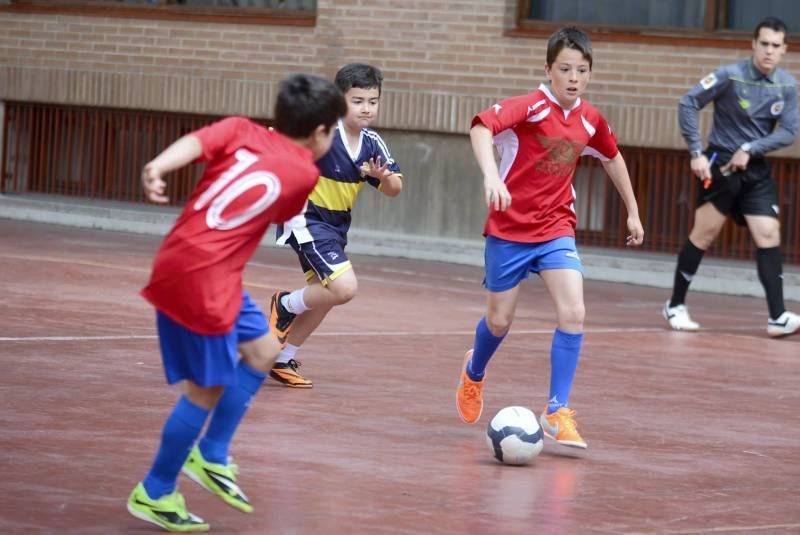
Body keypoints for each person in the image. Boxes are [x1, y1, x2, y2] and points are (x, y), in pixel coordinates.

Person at [126, 74, 346, 532]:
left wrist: (157, 168)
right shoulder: (304, 174)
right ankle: (156, 490)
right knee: (205, 390)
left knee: (265, 351)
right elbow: (282, 213)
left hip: (202, 268)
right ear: (321, 132)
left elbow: (192, 144)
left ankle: (212, 454)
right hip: (199, 279)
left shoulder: (239, 128)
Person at [455, 27, 644, 450]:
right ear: (548, 70)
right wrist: (490, 176)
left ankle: (557, 410)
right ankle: (474, 372)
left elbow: (613, 158)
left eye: (582, 70)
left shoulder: (590, 119)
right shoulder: (530, 107)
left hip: (556, 228)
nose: (573, 77)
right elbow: (481, 127)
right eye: (565, 69)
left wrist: (632, 210)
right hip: (509, 229)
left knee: (574, 311)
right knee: (500, 320)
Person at [267, 63, 403, 388]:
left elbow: (395, 188)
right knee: (345, 288)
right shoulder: (324, 131)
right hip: (306, 218)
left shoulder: (372, 144)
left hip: (336, 226)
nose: (366, 108)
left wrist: (384, 178)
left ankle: (282, 360)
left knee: (327, 295)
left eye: (372, 101)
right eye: (357, 100)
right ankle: (284, 305)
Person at [663, 16, 800, 337]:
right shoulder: (729, 75)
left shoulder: (788, 86)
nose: (769, 51)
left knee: (768, 233)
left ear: (785, 50)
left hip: (755, 167)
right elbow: (688, 102)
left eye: (775, 46)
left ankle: (777, 317)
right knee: (704, 234)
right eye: (763, 44)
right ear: (753, 44)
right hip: (719, 164)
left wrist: (751, 147)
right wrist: (696, 152)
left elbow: (790, 132)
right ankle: (675, 305)